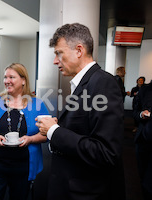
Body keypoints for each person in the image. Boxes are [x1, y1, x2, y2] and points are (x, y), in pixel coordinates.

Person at [36, 23, 125, 200]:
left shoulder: (103, 83)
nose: (55, 61)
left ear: (79, 50)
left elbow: (106, 152)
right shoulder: (86, 83)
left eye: (59, 53)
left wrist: (54, 131)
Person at [0, 63, 49, 200]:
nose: (7, 81)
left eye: (12, 77)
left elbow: (46, 133)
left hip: (23, 168)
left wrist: (31, 139)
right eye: (5, 77)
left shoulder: (37, 104)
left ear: (23, 80)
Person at [133, 80, 152, 199]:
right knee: (144, 180)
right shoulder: (145, 90)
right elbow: (135, 112)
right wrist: (141, 114)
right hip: (144, 139)